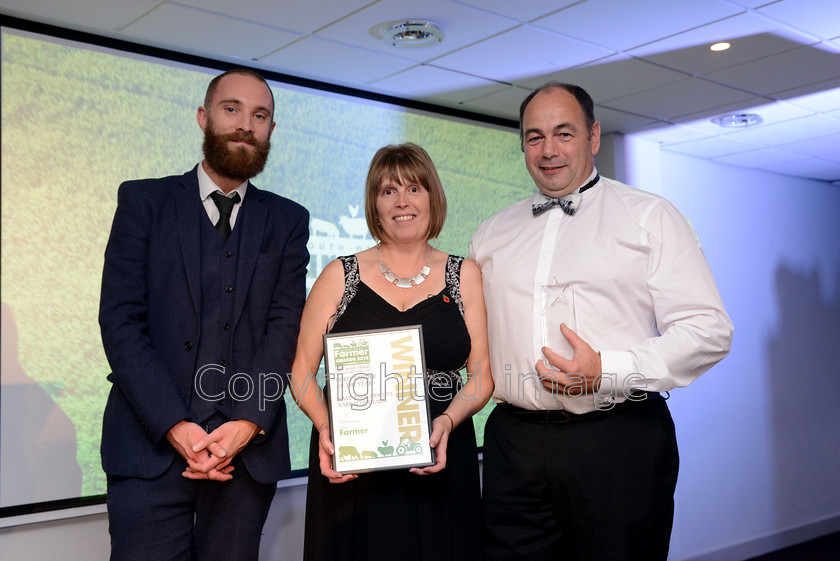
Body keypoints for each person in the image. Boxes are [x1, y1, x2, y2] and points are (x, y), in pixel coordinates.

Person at [469, 82, 733, 561]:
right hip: (514, 443)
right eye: (534, 137)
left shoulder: (650, 216)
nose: (548, 150)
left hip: (618, 438)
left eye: (563, 133)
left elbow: (708, 330)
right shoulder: (491, 233)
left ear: (593, 136)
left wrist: (606, 370)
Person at [98, 69, 310, 561]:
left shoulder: (288, 220)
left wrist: (245, 424)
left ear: (270, 131)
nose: (245, 125)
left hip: (245, 455)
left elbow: (284, 330)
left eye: (260, 116)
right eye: (231, 109)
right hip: (149, 451)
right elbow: (121, 323)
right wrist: (177, 426)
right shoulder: (143, 202)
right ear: (204, 117)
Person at [290, 143, 493, 561]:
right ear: (374, 204)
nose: (402, 201)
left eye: (414, 188)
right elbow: (302, 373)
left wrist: (448, 423)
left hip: (439, 455)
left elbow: (482, 378)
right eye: (388, 191)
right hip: (352, 468)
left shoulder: (465, 274)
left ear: (432, 197)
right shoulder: (338, 275)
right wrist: (331, 432)